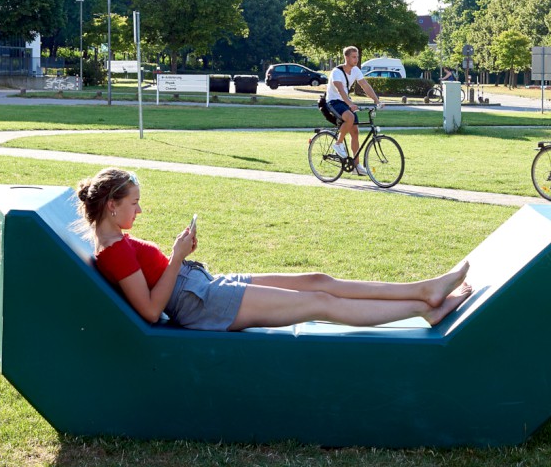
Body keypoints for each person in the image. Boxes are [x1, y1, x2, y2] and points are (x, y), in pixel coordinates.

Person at [79, 167, 472, 331]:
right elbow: (150, 311)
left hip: (201, 286)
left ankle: (425, 289)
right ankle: (426, 309)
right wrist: (177, 256)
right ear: (112, 206)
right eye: (134, 203)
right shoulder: (112, 250)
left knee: (318, 280)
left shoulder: (116, 241)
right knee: (319, 301)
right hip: (199, 303)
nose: (140, 209)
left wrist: (179, 259)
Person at [326, 45, 381, 175]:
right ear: (346, 57)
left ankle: (356, 166)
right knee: (349, 118)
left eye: (357, 57)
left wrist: (376, 100)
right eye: (353, 57)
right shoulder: (337, 72)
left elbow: (365, 86)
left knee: (355, 132)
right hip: (333, 101)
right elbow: (340, 90)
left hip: (345, 102)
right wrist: (350, 103)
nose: (356, 59)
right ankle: (338, 144)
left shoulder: (356, 70)